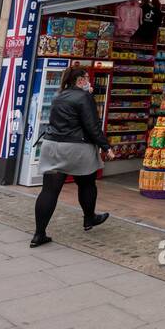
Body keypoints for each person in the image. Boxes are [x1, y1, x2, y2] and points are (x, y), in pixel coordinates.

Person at [30, 66, 112, 247]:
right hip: (76, 147)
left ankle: (39, 234)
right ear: (81, 80)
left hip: (52, 145)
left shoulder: (59, 95)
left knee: (49, 191)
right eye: (86, 77)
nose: (89, 80)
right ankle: (89, 218)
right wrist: (106, 146)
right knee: (87, 183)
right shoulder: (84, 97)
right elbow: (92, 126)